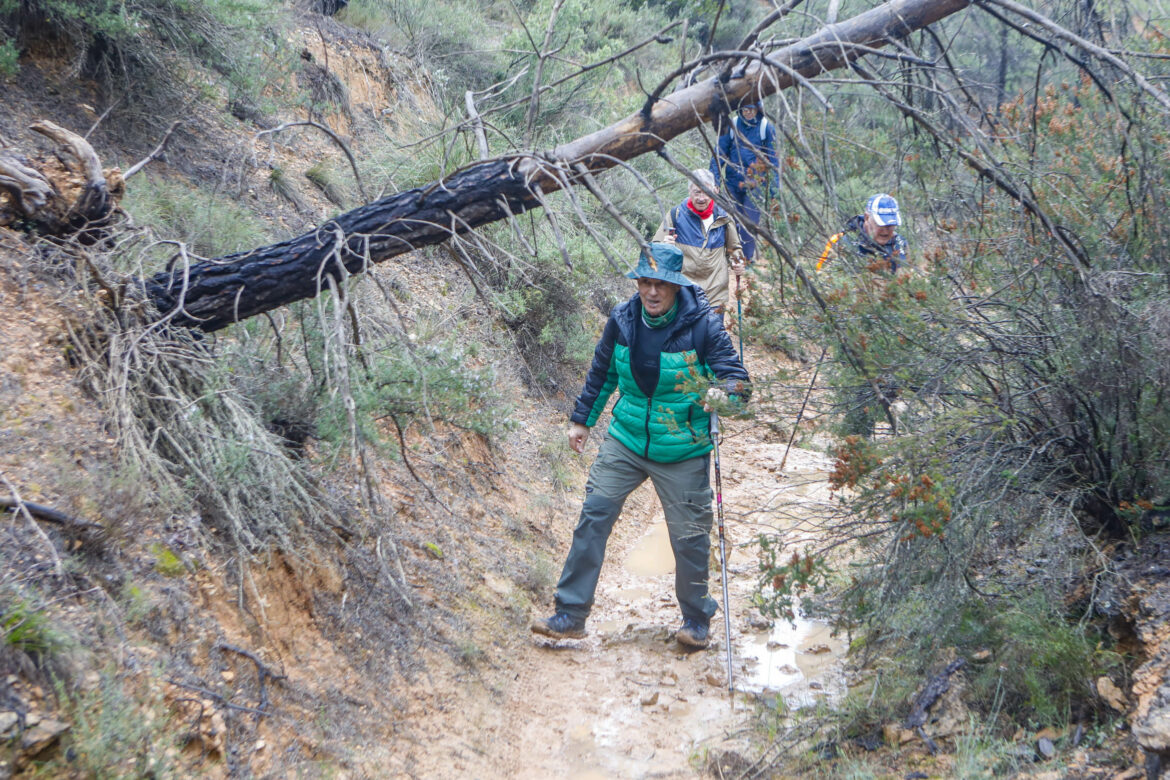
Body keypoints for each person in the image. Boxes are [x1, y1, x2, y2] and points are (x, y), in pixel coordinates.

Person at [531, 242, 750, 649]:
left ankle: (696, 621)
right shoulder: (623, 318)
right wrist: (582, 421)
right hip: (627, 439)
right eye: (645, 283)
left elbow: (738, 381)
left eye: (660, 285)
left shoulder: (703, 325)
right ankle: (570, 614)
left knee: (689, 536)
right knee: (594, 514)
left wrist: (723, 393)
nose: (651, 292)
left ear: (676, 286)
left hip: (683, 447)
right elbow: (602, 372)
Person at [654, 170, 745, 315]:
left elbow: (734, 249)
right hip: (683, 293)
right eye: (697, 192)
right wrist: (664, 246)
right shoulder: (675, 215)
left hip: (715, 295)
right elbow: (654, 250)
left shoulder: (724, 218)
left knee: (712, 336)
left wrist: (738, 262)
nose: (702, 198)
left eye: (706, 192)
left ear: (715, 190)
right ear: (689, 191)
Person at [709, 100, 779, 264]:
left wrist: (775, 191)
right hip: (733, 182)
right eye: (745, 109)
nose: (748, 112)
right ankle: (730, 256)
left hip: (756, 185)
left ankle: (746, 260)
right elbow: (719, 154)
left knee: (750, 223)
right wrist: (714, 180)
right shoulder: (731, 125)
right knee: (729, 220)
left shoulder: (766, 128)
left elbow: (774, 161)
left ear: (758, 109)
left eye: (751, 109)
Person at [816, 193, 908, 274]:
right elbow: (822, 279)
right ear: (867, 217)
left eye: (891, 225)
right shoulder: (841, 243)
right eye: (881, 224)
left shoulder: (900, 243)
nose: (886, 230)